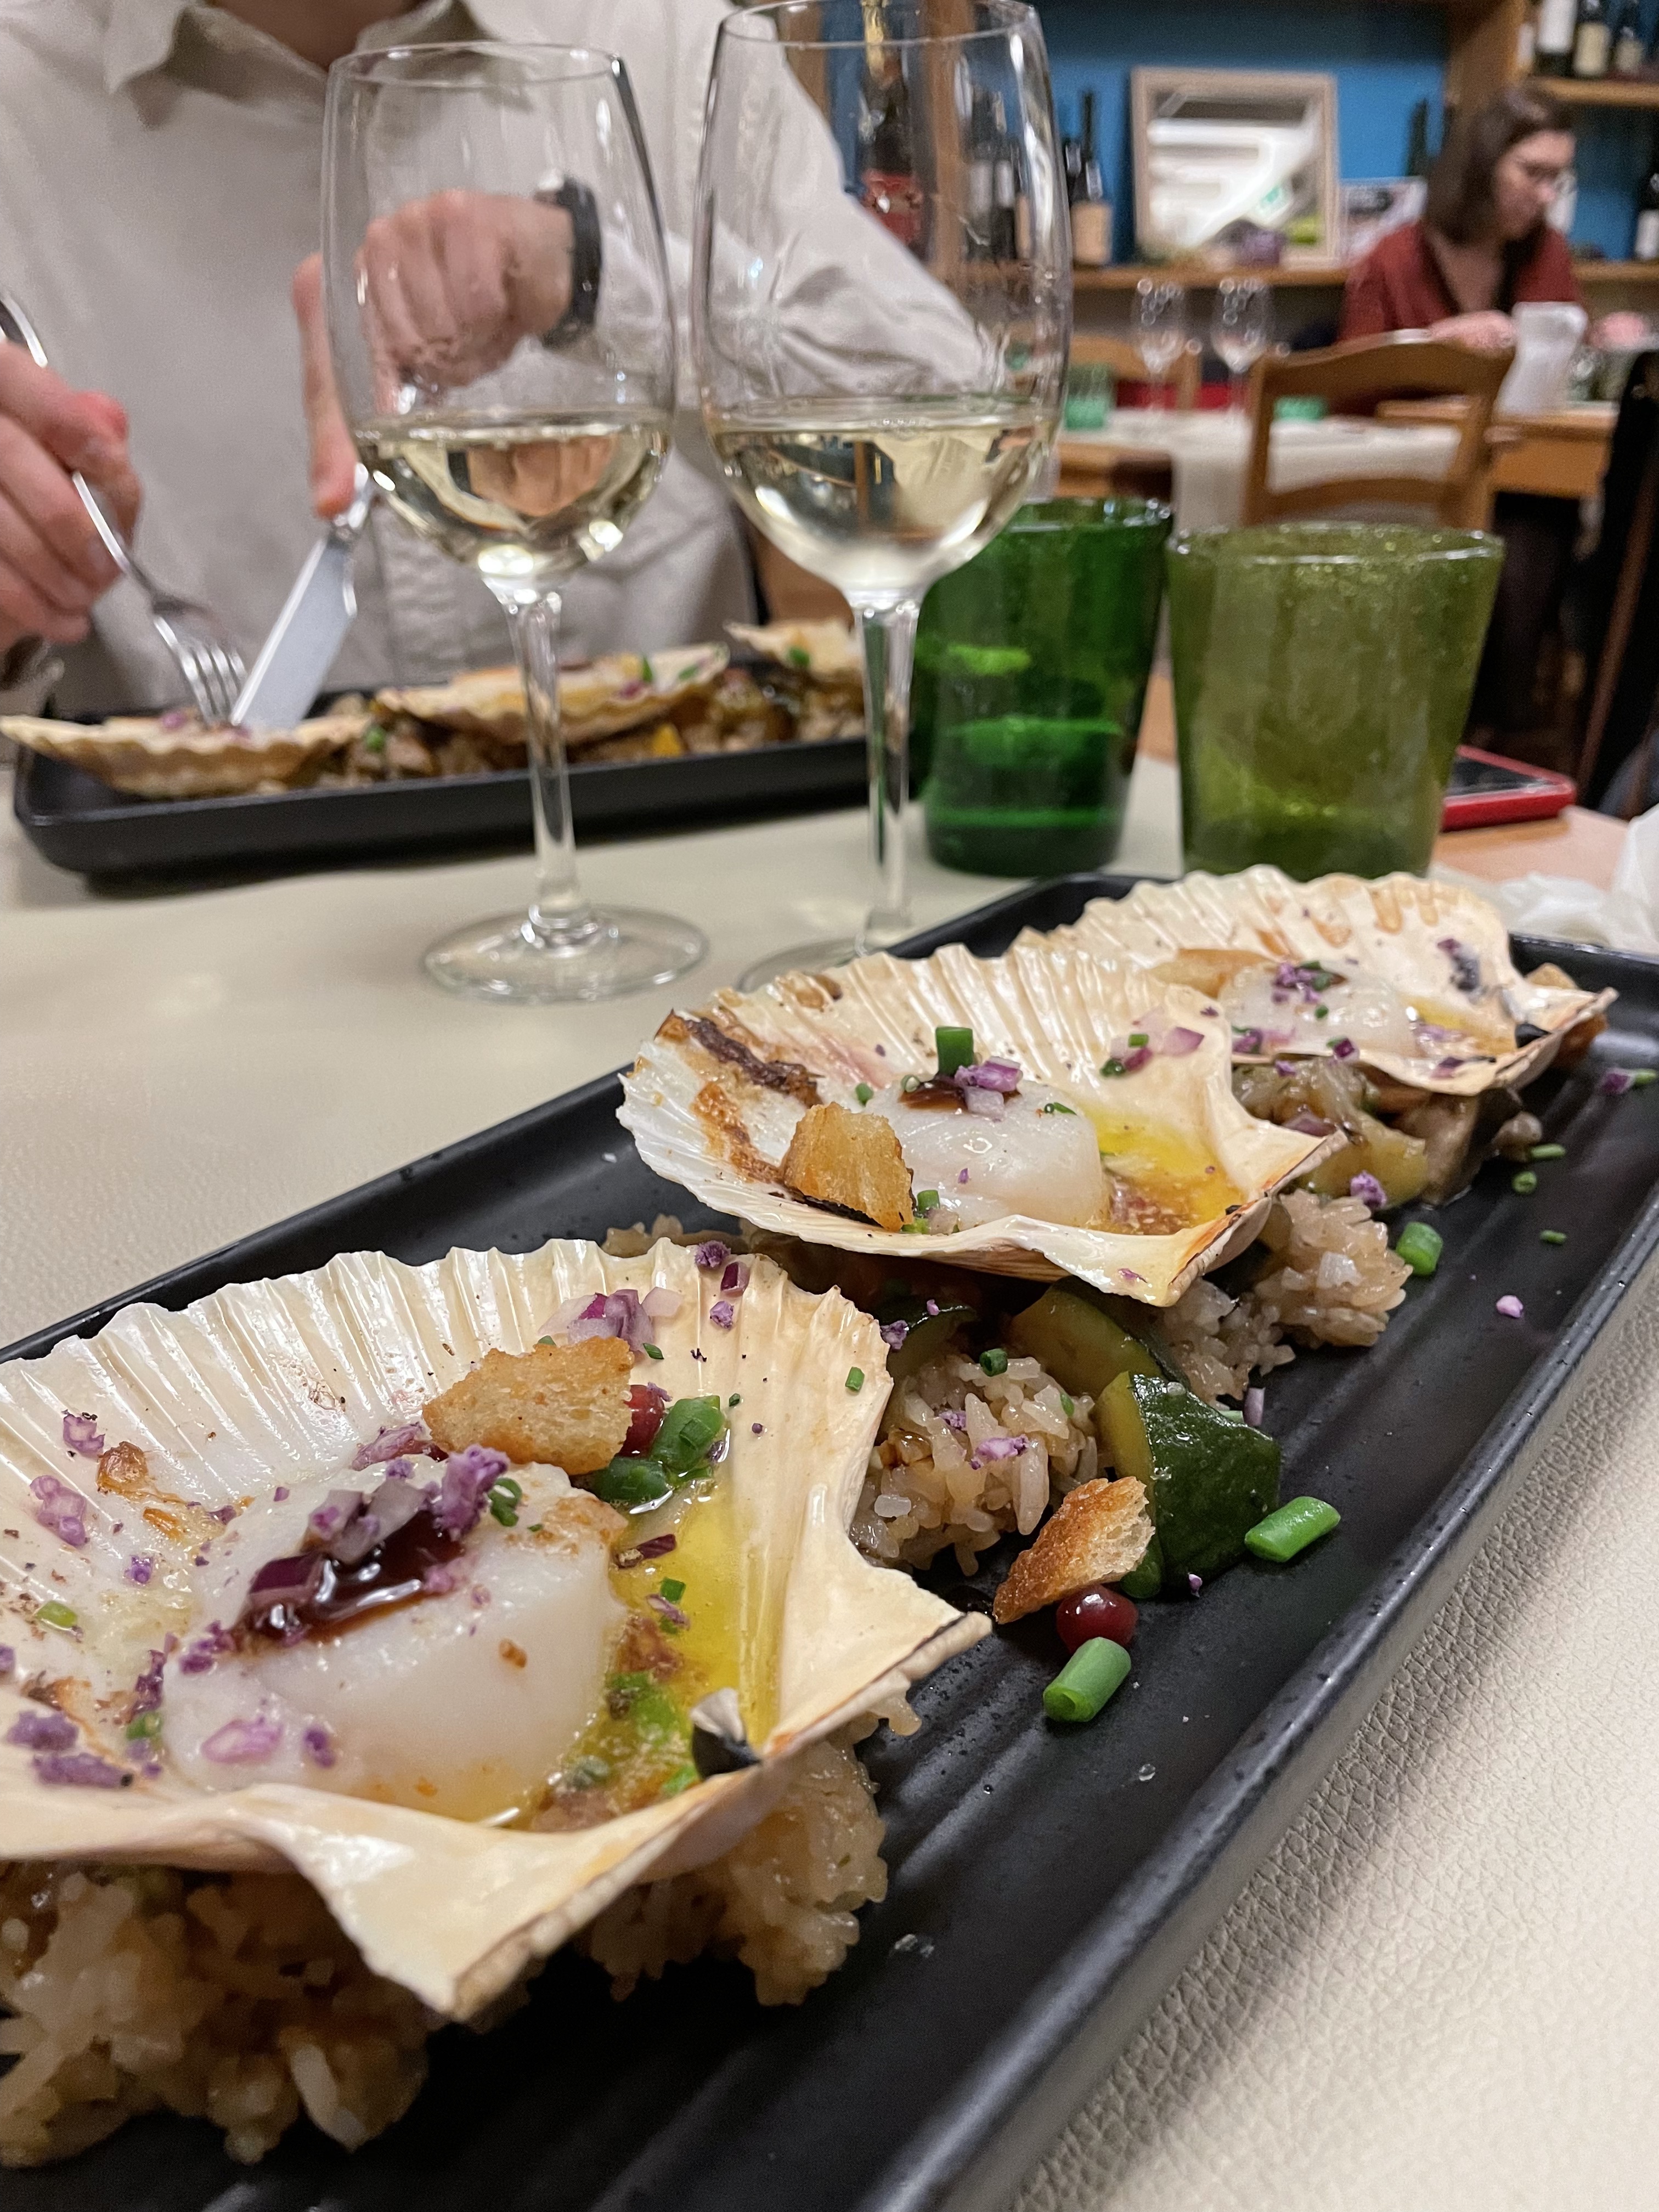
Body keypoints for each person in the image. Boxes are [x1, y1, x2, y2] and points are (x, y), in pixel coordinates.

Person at [0, 0, 757, 719]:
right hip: (203, 818)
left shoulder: (661, 30)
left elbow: (830, 449)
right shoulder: (21, 98)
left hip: (687, 798)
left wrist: (590, 273)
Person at [1341, 83, 1647, 752]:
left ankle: (1502, 733)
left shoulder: (1546, 252)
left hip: (1520, 470)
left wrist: (1597, 341)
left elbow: (1563, 351)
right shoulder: (1394, 258)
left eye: (1557, 178)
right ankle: (1487, 729)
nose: (1545, 194)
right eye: (1532, 173)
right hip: (1414, 484)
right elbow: (1346, 388)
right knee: (1514, 529)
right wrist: (1436, 344)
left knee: (1547, 519)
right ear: (1482, 165)